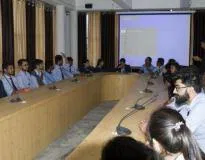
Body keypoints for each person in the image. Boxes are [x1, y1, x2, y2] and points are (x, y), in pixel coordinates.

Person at [167, 67, 205, 153]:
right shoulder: (187, 100)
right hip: (190, 145)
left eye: (177, 87)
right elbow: (169, 107)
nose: (174, 91)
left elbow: (179, 138)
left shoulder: (202, 106)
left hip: (199, 152)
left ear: (190, 89)